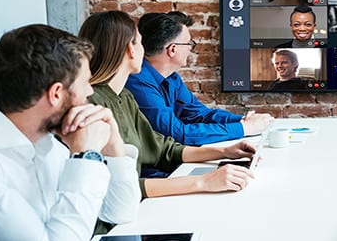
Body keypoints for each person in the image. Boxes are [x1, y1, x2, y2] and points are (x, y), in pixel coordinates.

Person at [0, 25, 140, 241]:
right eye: (86, 83)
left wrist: (113, 145)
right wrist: (86, 156)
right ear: (56, 94)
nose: (91, 92)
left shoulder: (49, 144)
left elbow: (120, 212)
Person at [79, 11, 256, 198]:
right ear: (131, 50)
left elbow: (163, 148)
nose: (145, 50)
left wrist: (224, 152)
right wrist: (204, 181)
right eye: (140, 42)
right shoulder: (92, 107)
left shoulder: (124, 96)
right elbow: (114, 188)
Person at [125, 11, 272, 145]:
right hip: (156, 171)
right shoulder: (138, 82)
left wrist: (241, 120)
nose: (191, 48)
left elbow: (199, 114)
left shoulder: (172, 78)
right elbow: (176, 133)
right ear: (173, 49)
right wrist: (244, 128)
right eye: (189, 43)